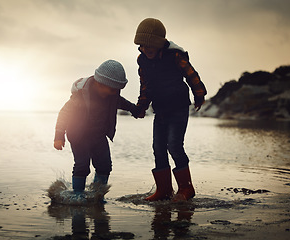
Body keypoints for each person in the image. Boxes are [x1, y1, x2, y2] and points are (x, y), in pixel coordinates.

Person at [132, 18, 207, 202]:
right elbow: (145, 86)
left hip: (179, 108)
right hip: (160, 110)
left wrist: (199, 95)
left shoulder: (174, 56)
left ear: (160, 44)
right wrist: (141, 106)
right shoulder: (142, 60)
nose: (147, 48)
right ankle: (164, 190)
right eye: (143, 45)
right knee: (158, 147)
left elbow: (191, 74)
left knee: (174, 145)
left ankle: (186, 189)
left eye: (151, 45)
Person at [54, 60, 137, 198]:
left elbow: (122, 103)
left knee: (105, 165)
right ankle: (78, 195)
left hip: (98, 136)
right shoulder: (80, 95)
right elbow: (64, 113)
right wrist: (59, 135)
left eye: (117, 90)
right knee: (82, 165)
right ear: (99, 83)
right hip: (79, 136)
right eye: (111, 89)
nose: (113, 93)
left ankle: (97, 195)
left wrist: (135, 110)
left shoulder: (112, 95)